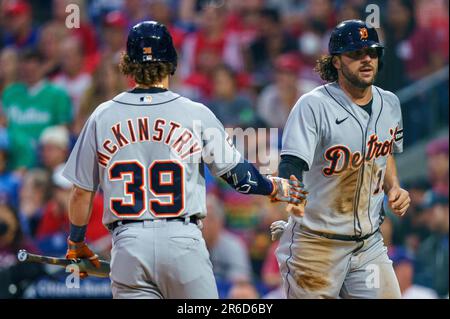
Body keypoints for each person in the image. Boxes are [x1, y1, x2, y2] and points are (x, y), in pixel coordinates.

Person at [62, 21, 306, 299]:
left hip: (128, 244)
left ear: (128, 63)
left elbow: (81, 192)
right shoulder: (195, 112)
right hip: (182, 240)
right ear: (172, 61)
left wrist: (76, 242)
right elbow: (240, 177)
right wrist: (274, 187)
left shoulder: (102, 115)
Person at [274, 20, 411, 299]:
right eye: (355, 54)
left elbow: (382, 154)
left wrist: (394, 186)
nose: (366, 59)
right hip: (316, 246)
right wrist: (292, 195)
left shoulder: (390, 103)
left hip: (368, 245)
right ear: (336, 62)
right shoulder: (313, 105)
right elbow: (290, 163)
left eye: (372, 52)